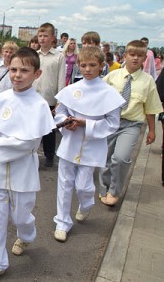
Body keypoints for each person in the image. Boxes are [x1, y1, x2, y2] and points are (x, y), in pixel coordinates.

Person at [0, 47, 55, 282]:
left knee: (21, 216)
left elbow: (29, 144)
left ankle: (27, 235)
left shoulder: (39, 105)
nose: (17, 75)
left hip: (23, 171)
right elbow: (0, 124)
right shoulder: (3, 98)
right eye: (13, 69)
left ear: (36, 74)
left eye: (24, 70)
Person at [52, 47, 125, 242]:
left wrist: (86, 123)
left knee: (84, 186)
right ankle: (62, 222)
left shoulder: (109, 94)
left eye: (92, 65)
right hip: (70, 142)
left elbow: (112, 123)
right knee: (65, 183)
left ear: (102, 66)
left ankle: (85, 205)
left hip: (92, 146)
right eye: (83, 65)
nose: (87, 69)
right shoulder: (71, 90)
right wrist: (67, 121)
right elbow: (59, 113)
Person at [99, 40, 163, 206]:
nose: (135, 58)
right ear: (125, 56)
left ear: (144, 59)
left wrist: (152, 131)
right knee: (105, 158)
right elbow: (96, 93)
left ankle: (114, 191)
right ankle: (104, 187)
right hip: (111, 122)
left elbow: (150, 108)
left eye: (140, 55)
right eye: (132, 54)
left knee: (120, 158)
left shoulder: (147, 81)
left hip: (131, 124)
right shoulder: (112, 76)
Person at [33, 22, 66, 167]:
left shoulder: (59, 56)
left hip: (49, 98)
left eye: (45, 36)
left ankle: (49, 155)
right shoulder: (34, 55)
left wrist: (59, 101)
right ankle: (30, 153)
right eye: (40, 36)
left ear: (52, 38)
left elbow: (61, 79)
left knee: (49, 129)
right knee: (32, 127)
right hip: (33, 97)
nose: (42, 39)